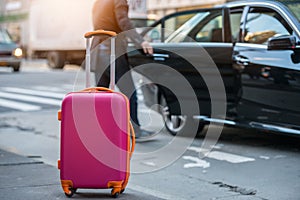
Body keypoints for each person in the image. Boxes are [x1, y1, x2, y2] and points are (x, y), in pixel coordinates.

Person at [91, 0, 154, 141]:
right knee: (129, 92)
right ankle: (135, 130)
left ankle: (99, 129)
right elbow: (123, 21)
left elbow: (98, 22)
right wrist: (140, 41)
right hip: (113, 50)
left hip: (98, 50)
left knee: (101, 94)